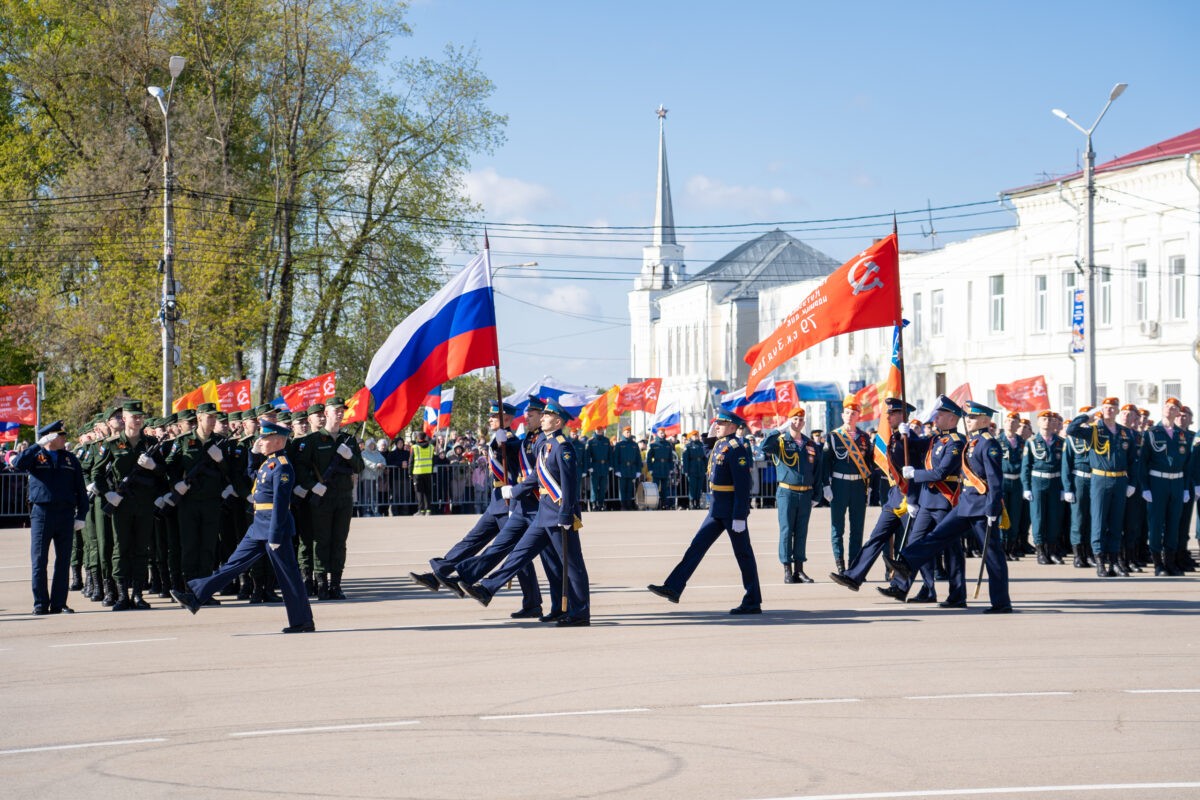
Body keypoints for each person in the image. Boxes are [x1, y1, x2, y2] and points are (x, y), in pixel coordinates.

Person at [171, 422, 315, 633]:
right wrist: (253, 454)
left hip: (275, 529)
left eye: (265, 439)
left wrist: (275, 536)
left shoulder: (283, 465)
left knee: (289, 575)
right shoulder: (269, 463)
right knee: (233, 564)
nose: (261, 441)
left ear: (277, 441)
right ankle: (196, 596)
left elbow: (281, 504)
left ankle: (302, 621)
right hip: (259, 526)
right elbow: (253, 477)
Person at [409, 401, 543, 617]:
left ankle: (532, 602)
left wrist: (505, 445)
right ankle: (439, 573)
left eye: (494, 416)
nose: (489, 419)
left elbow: (518, 460)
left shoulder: (512, 441)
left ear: (506, 419)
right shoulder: (498, 438)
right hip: (496, 501)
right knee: (471, 541)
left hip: (510, 504)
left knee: (518, 556)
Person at [463, 399, 590, 626]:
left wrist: (565, 515)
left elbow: (570, 486)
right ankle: (487, 588)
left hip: (560, 516)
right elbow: (536, 476)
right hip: (543, 514)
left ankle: (580, 613)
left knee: (572, 565)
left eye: (547, 415)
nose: (542, 418)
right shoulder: (546, 444)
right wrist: (515, 491)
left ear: (558, 421)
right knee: (519, 553)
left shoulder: (563, 447)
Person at [886, 401, 1012, 613]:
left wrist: (993, 509)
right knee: (937, 536)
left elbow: (995, 481)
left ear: (984, 420)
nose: (968, 420)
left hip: (982, 507)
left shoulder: (988, 444)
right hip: (965, 503)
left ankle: (1001, 603)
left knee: (992, 555)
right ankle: (906, 562)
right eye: (968, 417)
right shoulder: (973, 441)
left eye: (972, 418)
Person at [647, 410, 762, 615]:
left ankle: (752, 600)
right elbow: (706, 452)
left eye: (722, 423)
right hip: (716, 508)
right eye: (716, 423)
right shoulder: (720, 445)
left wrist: (739, 515)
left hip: (731, 510)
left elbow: (743, 485)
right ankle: (673, 586)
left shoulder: (737, 448)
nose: (717, 425)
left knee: (743, 554)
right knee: (696, 548)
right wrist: (712, 434)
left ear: (734, 427)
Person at [877, 395, 967, 604]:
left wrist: (914, 475)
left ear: (953, 419)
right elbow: (916, 445)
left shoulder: (956, 442)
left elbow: (941, 472)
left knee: (952, 549)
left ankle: (957, 594)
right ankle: (905, 587)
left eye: (941, 414)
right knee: (915, 542)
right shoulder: (936, 439)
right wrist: (903, 434)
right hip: (928, 501)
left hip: (945, 500)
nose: (936, 417)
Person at [830, 397, 925, 592]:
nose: (887, 417)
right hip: (895, 497)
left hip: (910, 498)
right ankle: (854, 576)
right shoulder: (894, 437)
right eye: (887, 413)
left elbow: (919, 461)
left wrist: (914, 499)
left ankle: (926, 588)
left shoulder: (911, 439)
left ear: (903, 415)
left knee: (915, 542)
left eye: (892, 413)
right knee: (876, 537)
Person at [293, 396, 364, 599]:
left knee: (339, 541)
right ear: (326, 413)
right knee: (321, 541)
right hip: (322, 498)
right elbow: (300, 467)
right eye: (336, 410)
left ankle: (336, 585)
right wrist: (313, 486)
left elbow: (360, 467)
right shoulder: (312, 441)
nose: (340, 413)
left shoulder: (348, 440)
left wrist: (350, 456)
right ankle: (321, 584)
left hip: (343, 497)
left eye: (342, 410)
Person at [17, 421, 89, 615]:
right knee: (39, 560)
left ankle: (59, 603)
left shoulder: (70, 459)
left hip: (65, 514)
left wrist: (81, 515)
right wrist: (37, 445)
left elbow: (80, 490)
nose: (64, 438)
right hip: (42, 513)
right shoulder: (36, 456)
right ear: (50, 437)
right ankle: (40, 602)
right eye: (60, 435)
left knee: (63, 560)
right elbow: (17, 464)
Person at [1066, 397, 1139, 578]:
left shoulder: (1125, 433)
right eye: (1106, 407)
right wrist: (1087, 416)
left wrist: (1132, 483)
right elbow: (1071, 430)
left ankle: (1114, 562)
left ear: (1117, 411)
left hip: (1120, 480)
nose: (1109, 410)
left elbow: (1133, 461)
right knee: (1098, 521)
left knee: (1116, 523)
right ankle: (1100, 562)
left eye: (1112, 407)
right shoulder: (1094, 431)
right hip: (1100, 479)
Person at [760, 406, 820, 583]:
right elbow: (764, 447)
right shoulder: (780, 441)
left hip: (805, 494)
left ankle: (799, 570)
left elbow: (816, 470)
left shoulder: (810, 444)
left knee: (801, 532)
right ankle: (787, 568)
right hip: (787, 492)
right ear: (789, 420)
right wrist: (779, 429)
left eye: (801, 420)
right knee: (786, 530)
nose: (798, 422)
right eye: (794, 419)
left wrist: (817, 494)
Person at [820, 397, 872, 573]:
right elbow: (825, 463)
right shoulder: (834, 436)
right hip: (839, 485)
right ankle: (840, 564)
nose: (850, 416)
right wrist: (826, 485)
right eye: (848, 413)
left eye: (854, 413)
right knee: (838, 527)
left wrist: (869, 486)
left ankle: (854, 566)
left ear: (859, 416)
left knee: (857, 528)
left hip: (858, 485)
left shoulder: (864, 438)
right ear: (843, 415)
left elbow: (869, 463)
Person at [1140, 397, 1191, 576]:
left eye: (1174, 408)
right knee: (1155, 523)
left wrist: (1185, 488)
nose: (1170, 409)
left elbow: (1187, 464)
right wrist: (1145, 487)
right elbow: (1143, 463)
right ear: (1163, 409)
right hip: (1157, 482)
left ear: (1178, 412)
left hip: (1176, 482)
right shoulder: (1152, 432)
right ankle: (1158, 564)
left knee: (1173, 523)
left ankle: (1170, 562)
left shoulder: (1182, 434)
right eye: (1167, 406)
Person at [1021, 410, 1066, 565]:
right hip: (1038, 483)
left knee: (1054, 518)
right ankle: (1041, 551)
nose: (1047, 422)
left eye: (1050, 419)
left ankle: (1052, 550)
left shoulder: (1061, 442)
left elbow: (1064, 467)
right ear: (1038, 422)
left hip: (1055, 483)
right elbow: (1026, 467)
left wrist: (1064, 488)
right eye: (1044, 419)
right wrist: (1026, 487)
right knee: (1038, 517)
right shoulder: (1032, 442)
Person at [1062, 406, 1094, 567]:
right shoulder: (1071, 439)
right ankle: (1078, 555)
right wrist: (1068, 488)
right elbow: (1066, 465)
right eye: (1087, 418)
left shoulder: (1096, 435)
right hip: (1079, 480)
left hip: (1095, 479)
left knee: (1092, 518)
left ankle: (1090, 553)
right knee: (1079, 519)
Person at [998, 412, 1026, 559]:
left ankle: (1012, 548)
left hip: (1017, 482)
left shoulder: (1022, 442)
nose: (1010, 423)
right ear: (1004, 423)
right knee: (1003, 515)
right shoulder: (997, 441)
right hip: (1003, 481)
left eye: (1014, 421)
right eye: (1008, 421)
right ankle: (1002, 547)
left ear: (1018, 425)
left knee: (1015, 516)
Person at [613, 427, 642, 510]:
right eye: (626, 432)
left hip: (631, 468)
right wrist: (617, 470)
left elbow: (638, 458)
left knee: (630, 488)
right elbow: (616, 458)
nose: (628, 434)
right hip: (622, 469)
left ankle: (628, 504)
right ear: (623, 433)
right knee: (622, 488)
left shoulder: (634, 444)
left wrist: (638, 470)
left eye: (629, 432)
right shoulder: (619, 444)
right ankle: (623, 505)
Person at [584, 428, 612, 511]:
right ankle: (593, 503)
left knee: (603, 487)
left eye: (601, 430)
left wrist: (610, 465)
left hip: (604, 466)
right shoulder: (591, 441)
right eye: (598, 430)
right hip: (595, 466)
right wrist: (589, 466)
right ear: (595, 430)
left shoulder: (606, 440)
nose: (599, 431)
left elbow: (610, 454)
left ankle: (601, 503)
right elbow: (587, 456)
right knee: (594, 486)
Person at [646, 432, 675, 510]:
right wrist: (650, 469)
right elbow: (649, 458)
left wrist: (671, 468)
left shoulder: (668, 444)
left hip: (665, 468)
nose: (662, 434)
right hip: (657, 467)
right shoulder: (653, 445)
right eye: (661, 433)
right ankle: (655, 504)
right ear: (657, 434)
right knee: (655, 487)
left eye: (663, 433)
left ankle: (664, 504)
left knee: (664, 488)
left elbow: (670, 458)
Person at [410, 429, 435, 515]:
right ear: (425, 437)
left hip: (417, 472)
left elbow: (411, 461)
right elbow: (433, 460)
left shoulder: (414, 447)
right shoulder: (431, 447)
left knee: (419, 492)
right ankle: (428, 510)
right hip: (428, 472)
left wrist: (410, 473)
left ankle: (421, 510)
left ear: (417, 438)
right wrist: (431, 471)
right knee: (427, 492)